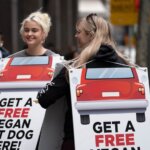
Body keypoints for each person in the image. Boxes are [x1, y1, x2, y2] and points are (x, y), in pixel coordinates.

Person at [36, 14, 132, 150]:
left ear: (90, 35)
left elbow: (44, 98)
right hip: (117, 141)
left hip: (77, 141)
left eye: (79, 32)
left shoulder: (75, 68)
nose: (76, 36)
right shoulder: (126, 65)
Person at [8, 11, 65, 150]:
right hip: (19, 124)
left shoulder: (57, 62)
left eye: (34, 30)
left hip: (46, 125)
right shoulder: (10, 61)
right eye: (26, 30)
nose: (29, 34)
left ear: (43, 34)